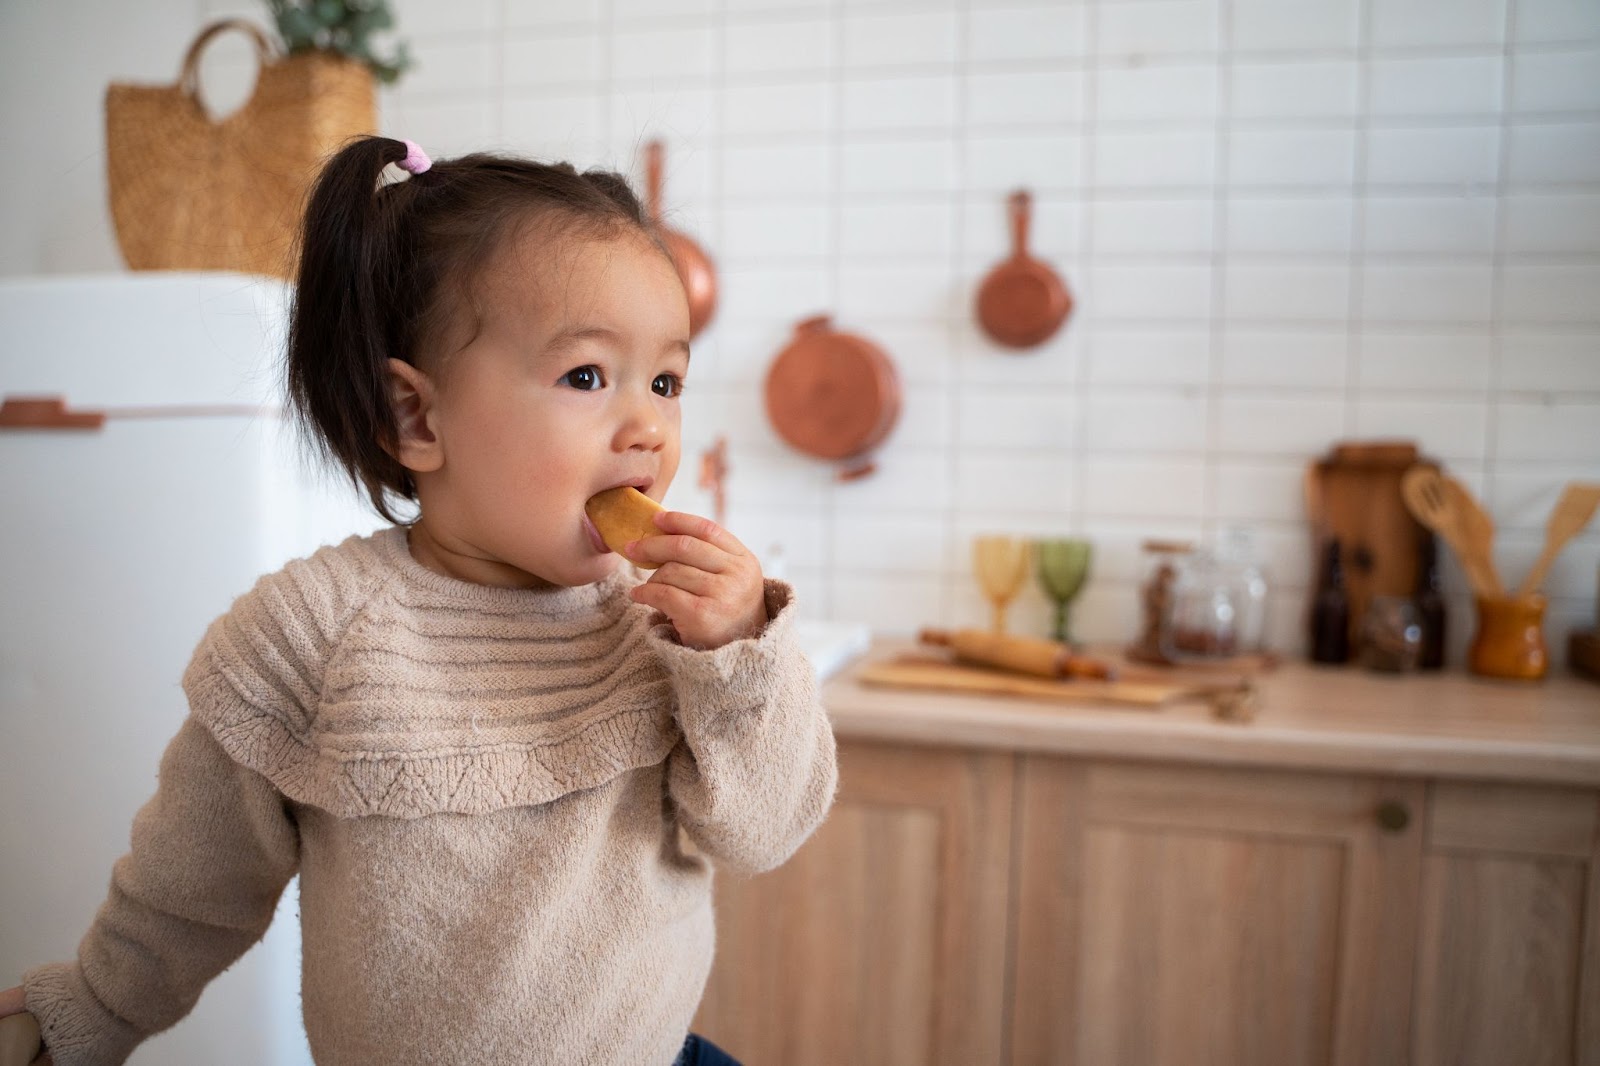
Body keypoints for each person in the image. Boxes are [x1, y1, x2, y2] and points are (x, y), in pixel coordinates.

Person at [0, 136, 838, 1066]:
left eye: (667, 382)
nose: (648, 426)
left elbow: (765, 832)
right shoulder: (311, 634)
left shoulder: (663, 631)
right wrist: (87, 1012)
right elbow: (191, 885)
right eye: (588, 377)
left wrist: (739, 660)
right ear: (419, 419)